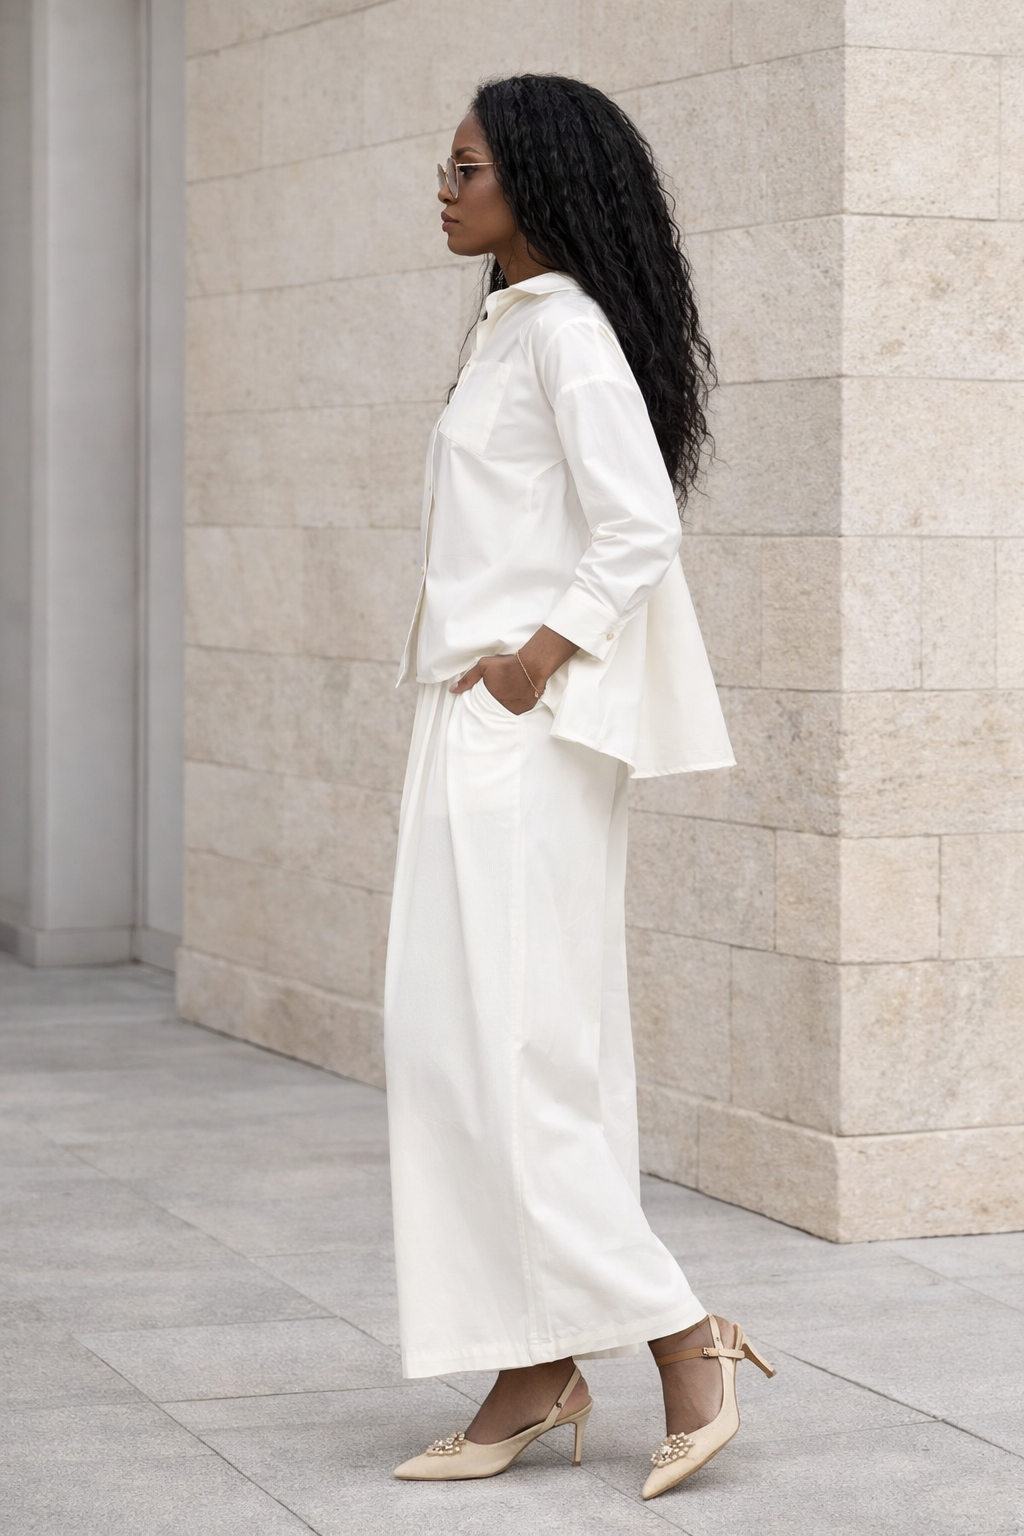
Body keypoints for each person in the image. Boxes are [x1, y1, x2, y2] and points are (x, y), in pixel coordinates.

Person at [383, 73, 774, 1503]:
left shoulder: (568, 335)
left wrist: (532, 662)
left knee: (517, 1052)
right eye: (446, 166)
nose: (444, 188)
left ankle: (682, 1336)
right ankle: (533, 1367)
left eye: (467, 168)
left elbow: (638, 526)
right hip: (469, 721)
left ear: (536, 179)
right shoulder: (509, 326)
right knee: (455, 1048)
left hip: (521, 732)